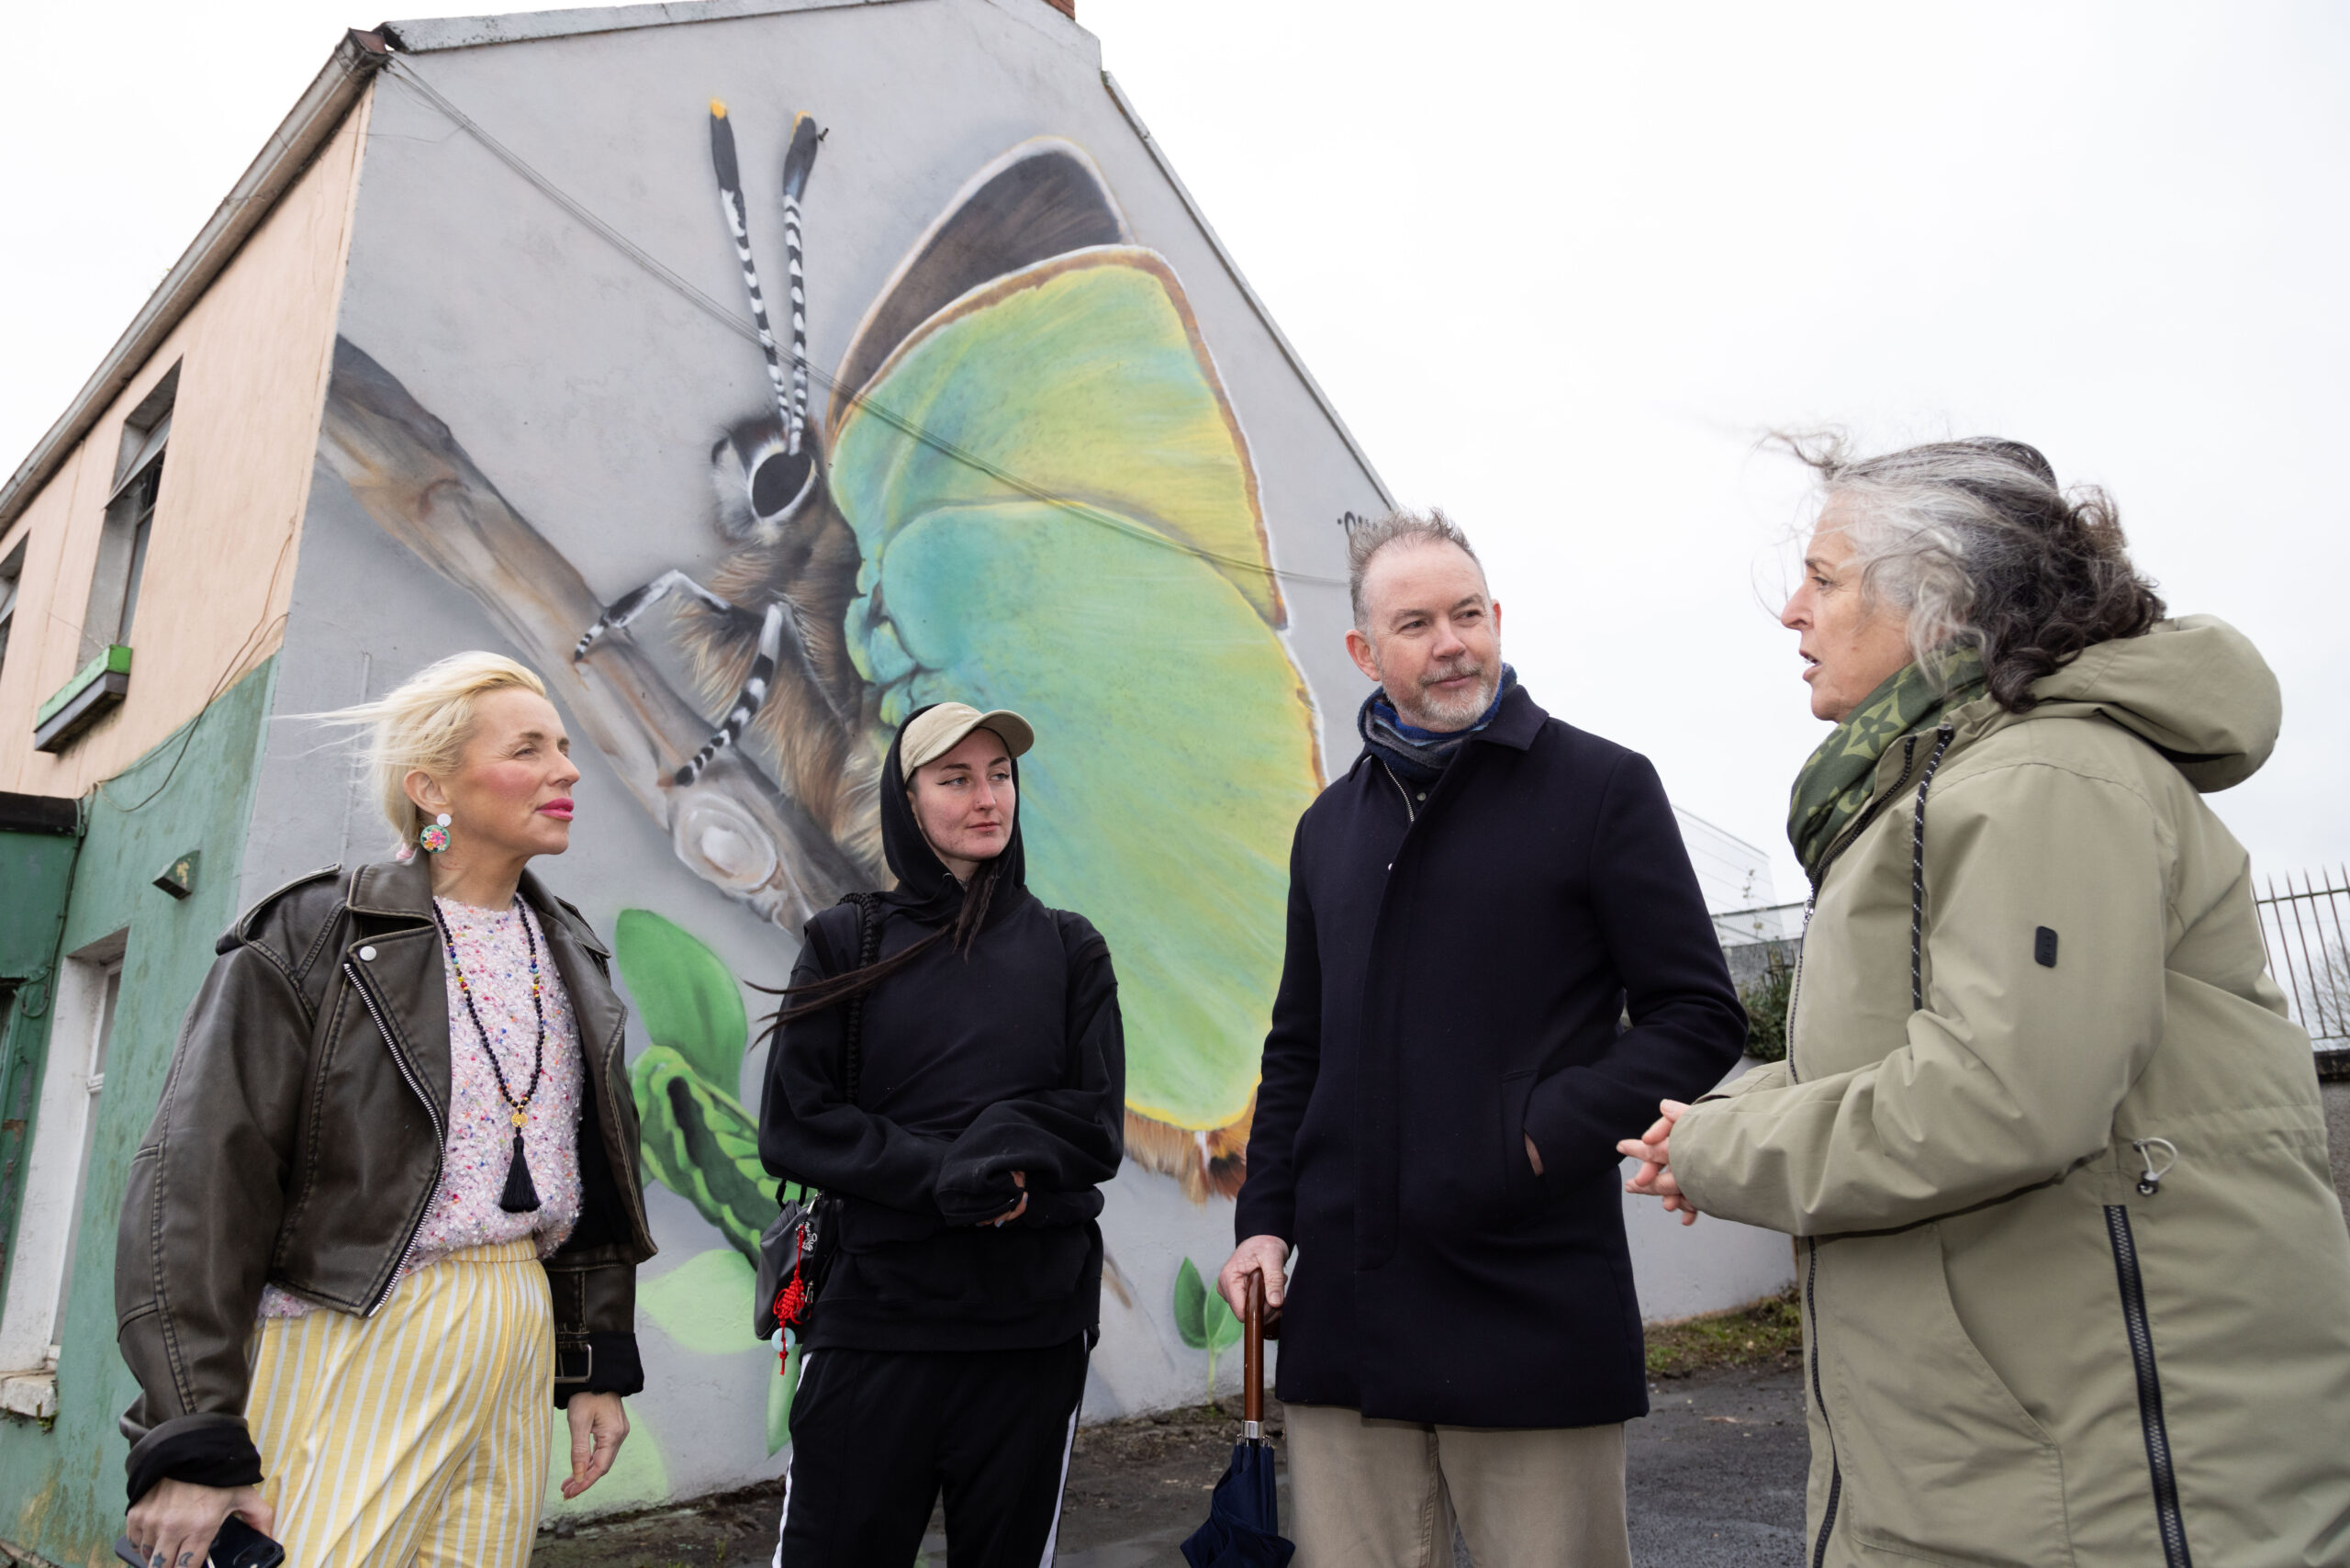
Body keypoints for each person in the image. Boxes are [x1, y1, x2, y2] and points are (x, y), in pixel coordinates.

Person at [1621, 437, 2350, 1567]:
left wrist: (1720, 1150)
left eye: (1824, 578)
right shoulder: (1944, 788)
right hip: (2001, 1471)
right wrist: (1719, 1120)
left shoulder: (2042, 776)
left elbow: (2000, 1097)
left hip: (2090, 1491)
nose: (1791, 612)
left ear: (1939, 600)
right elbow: (1906, 1066)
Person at [1215, 511, 1748, 1568]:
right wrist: (1264, 1223)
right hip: (1346, 1324)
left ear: (1497, 618)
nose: (1451, 643)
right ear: (1364, 651)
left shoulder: (1601, 787)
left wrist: (1537, 1137)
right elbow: (1298, 1049)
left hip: (1528, 1303)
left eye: (1467, 614)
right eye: (1416, 624)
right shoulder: (1327, 829)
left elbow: (1699, 1014)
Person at [117, 652, 655, 1568]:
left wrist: (594, 1360)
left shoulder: (569, 948)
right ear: (431, 786)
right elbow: (198, 1181)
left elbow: (591, 1175)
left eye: (563, 747)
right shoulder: (313, 932)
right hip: (357, 1322)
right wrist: (191, 1434)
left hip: (517, 1323)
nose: (567, 771)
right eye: (528, 749)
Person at [759, 701, 1125, 1567]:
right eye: (955, 779)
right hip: (875, 1327)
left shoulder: (1071, 949)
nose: (986, 798)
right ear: (907, 800)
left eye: (999, 776)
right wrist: (951, 1176)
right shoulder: (846, 941)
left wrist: (1003, 1157)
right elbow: (797, 1124)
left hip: (1030, 1335)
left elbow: (1094, 1124)